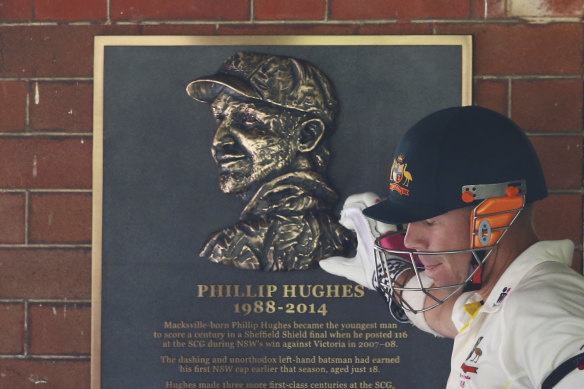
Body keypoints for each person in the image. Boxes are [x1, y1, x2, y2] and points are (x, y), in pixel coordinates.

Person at [320, 106, 584, 388]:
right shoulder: (495, 299)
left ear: (495, 214)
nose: (409, 241)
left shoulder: (544, 311)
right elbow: (443, 315)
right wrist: (394, 276)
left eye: (429, 221)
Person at [186, 52, 356, 271]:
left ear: (307, 136)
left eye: (248, 121)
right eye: (220, 120)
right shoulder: (343, 237)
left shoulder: (235, 246)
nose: (218, 141)